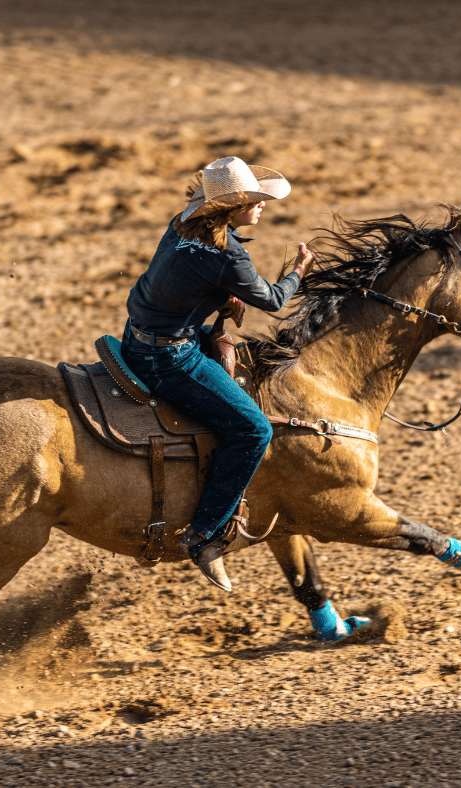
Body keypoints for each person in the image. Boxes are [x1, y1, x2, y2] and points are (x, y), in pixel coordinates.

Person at [120, 156, 315, 592]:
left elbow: (188, 274)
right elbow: (272, 300)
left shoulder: (181, 226)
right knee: (254, 430)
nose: (263, 205)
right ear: (232, 208)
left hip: (137, 337)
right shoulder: (230, 255)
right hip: (170, 357)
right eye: (256, 200)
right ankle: (205, 535)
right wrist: (299, 271)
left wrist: (224, 295)